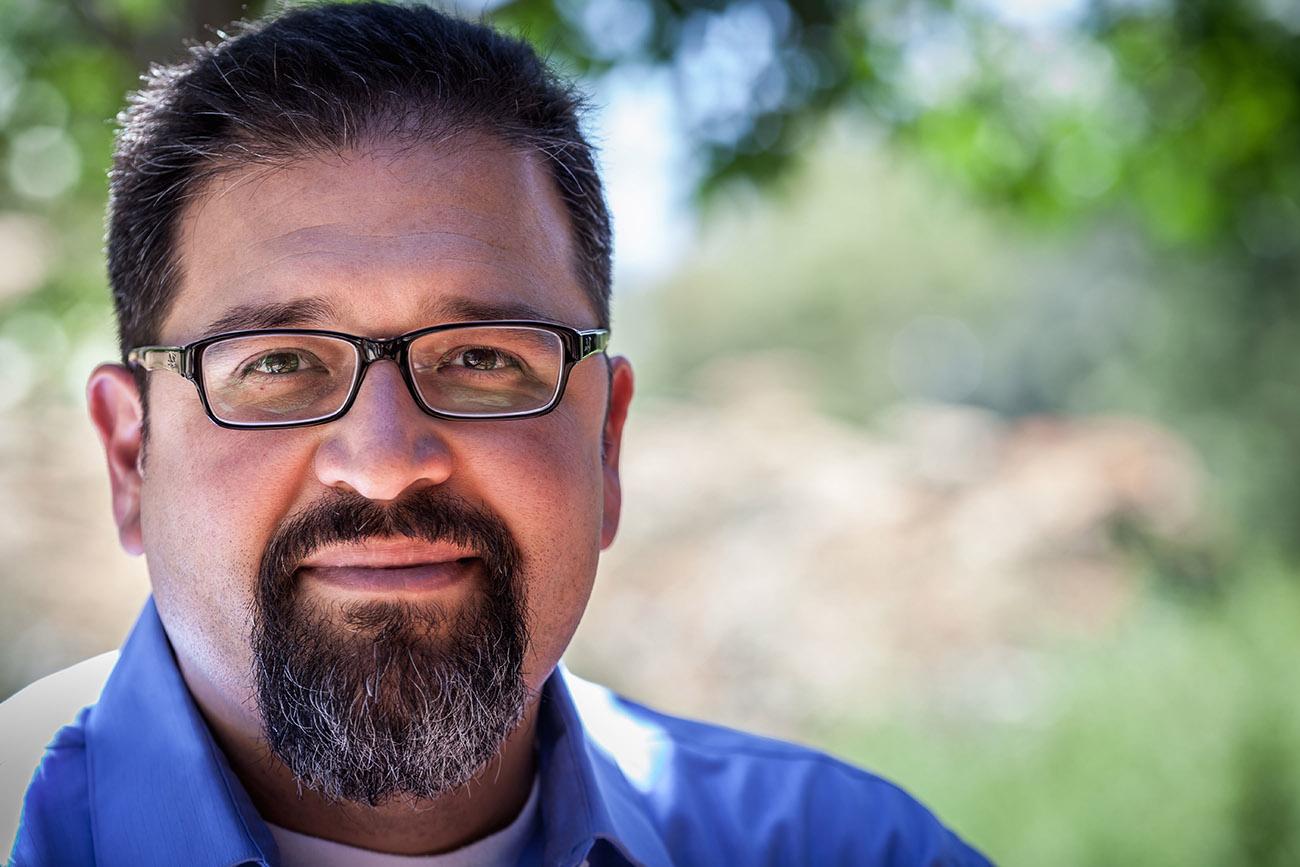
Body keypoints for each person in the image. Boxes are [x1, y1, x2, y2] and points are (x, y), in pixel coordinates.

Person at [1, 3, 991, 864]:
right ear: (130, 459)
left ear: (604, 444)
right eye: (277, 363)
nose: (385, 463)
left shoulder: (850, 848)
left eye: (479, 359)